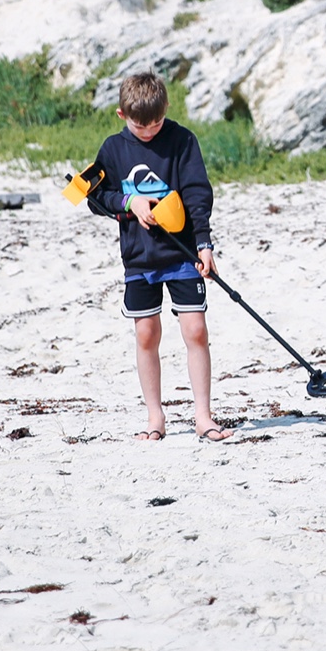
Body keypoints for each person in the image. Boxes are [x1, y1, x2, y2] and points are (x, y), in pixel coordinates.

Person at [86, 72, 232, 442]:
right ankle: (155, 417)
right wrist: (128, 202)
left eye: (156, 123)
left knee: (195, 330)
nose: (149, 131)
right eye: (140, 125)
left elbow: (198, 193)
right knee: (147, 333)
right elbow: (93, 196)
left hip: (182, 253)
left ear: (166, 110)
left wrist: (205, 245)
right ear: (122, 115)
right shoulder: (113, 150)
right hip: (139, 257)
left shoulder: (182, 140)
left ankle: (203, 416)